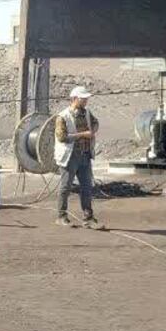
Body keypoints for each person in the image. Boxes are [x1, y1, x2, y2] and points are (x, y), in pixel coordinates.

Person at [54, 86, 104, 229]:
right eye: (83, 99)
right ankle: (61, 216)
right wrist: (83, 135)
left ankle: (88, 218)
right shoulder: (62, 116)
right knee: (65, 187)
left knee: (87, 187)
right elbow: (62, 137)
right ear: (75, 99)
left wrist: (92, 131)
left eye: (86, 99)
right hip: (70, 157)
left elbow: (95, 123)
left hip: (85, 155)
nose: (86, 101)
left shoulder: (87, 113)